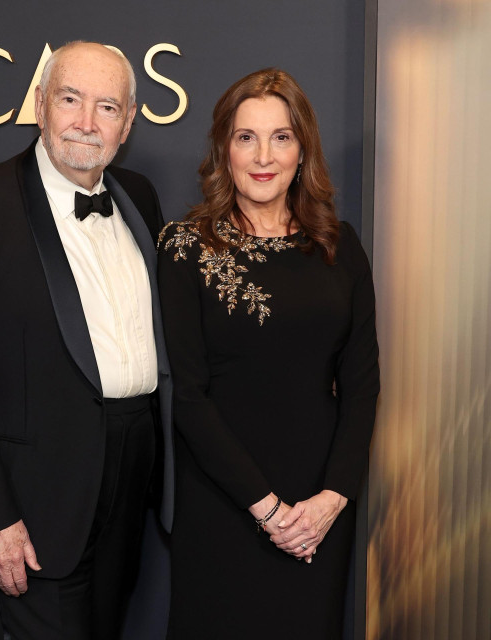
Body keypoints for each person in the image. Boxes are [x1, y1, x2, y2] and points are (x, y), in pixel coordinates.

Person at [0, 41, 173, 640]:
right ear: (39, 104)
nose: (87, 122)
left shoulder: (138, 196)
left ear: (129, 121)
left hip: (129, 482)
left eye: (107, 107)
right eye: (70, 99)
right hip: (32, 508)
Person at [157, 68, 379, 639]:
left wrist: (332, 499)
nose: (264, 155)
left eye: (281, 137)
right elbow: (188, 394)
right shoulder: (185, 246)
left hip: (320, 509)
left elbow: (362, 383)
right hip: (224, 501)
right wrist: (269, 511)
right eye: (245, 136)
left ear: (303, 150)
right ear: (223, 149)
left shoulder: (338, 244)